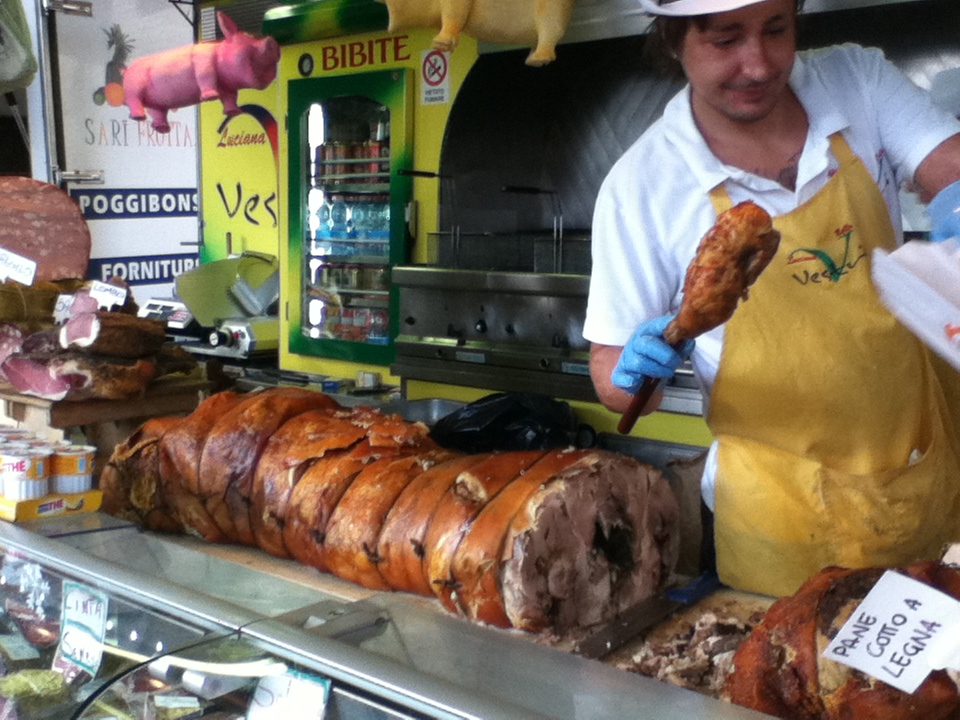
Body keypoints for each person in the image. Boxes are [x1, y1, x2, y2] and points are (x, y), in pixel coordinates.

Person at [584, 0, 960, 597]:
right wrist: (634, 368)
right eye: (726, 39)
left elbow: (950, 166)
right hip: (782, 522)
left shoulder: (853, 80)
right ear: (674, 38)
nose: (757, 65)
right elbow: (611, 378)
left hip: (920, 465)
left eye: (776, 30)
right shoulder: (641, 186)